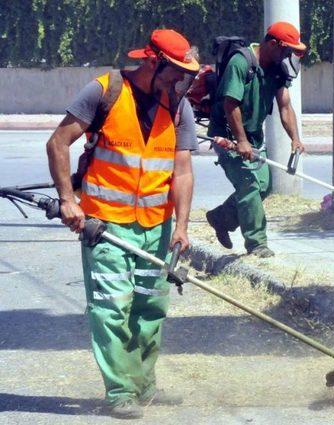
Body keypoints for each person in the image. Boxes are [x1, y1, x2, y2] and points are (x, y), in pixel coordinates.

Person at [46, 29, 199, 419]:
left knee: (150, 308)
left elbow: (182, 171)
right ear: (153, 62)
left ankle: (144, 386)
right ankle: (120, 392)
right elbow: (58, 142)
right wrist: (68, 200)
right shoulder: (105, 91)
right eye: (177, 72)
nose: (182, 81)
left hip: (157, 226)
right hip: (105, 225)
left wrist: (181, 226)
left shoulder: (180, 108)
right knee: (112, 308)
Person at [206, 21, 307, 258]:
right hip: (227, 136)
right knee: (249, 185)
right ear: (273, 44)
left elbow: (285, 106)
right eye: (286, 50)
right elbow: (231, 105)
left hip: (252, 138)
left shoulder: (277, 68)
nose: (288, 55)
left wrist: (295, 138)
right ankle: (257, 244)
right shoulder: (241, 62)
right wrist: (240, 141)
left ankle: (220, 217)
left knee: (264, 186)